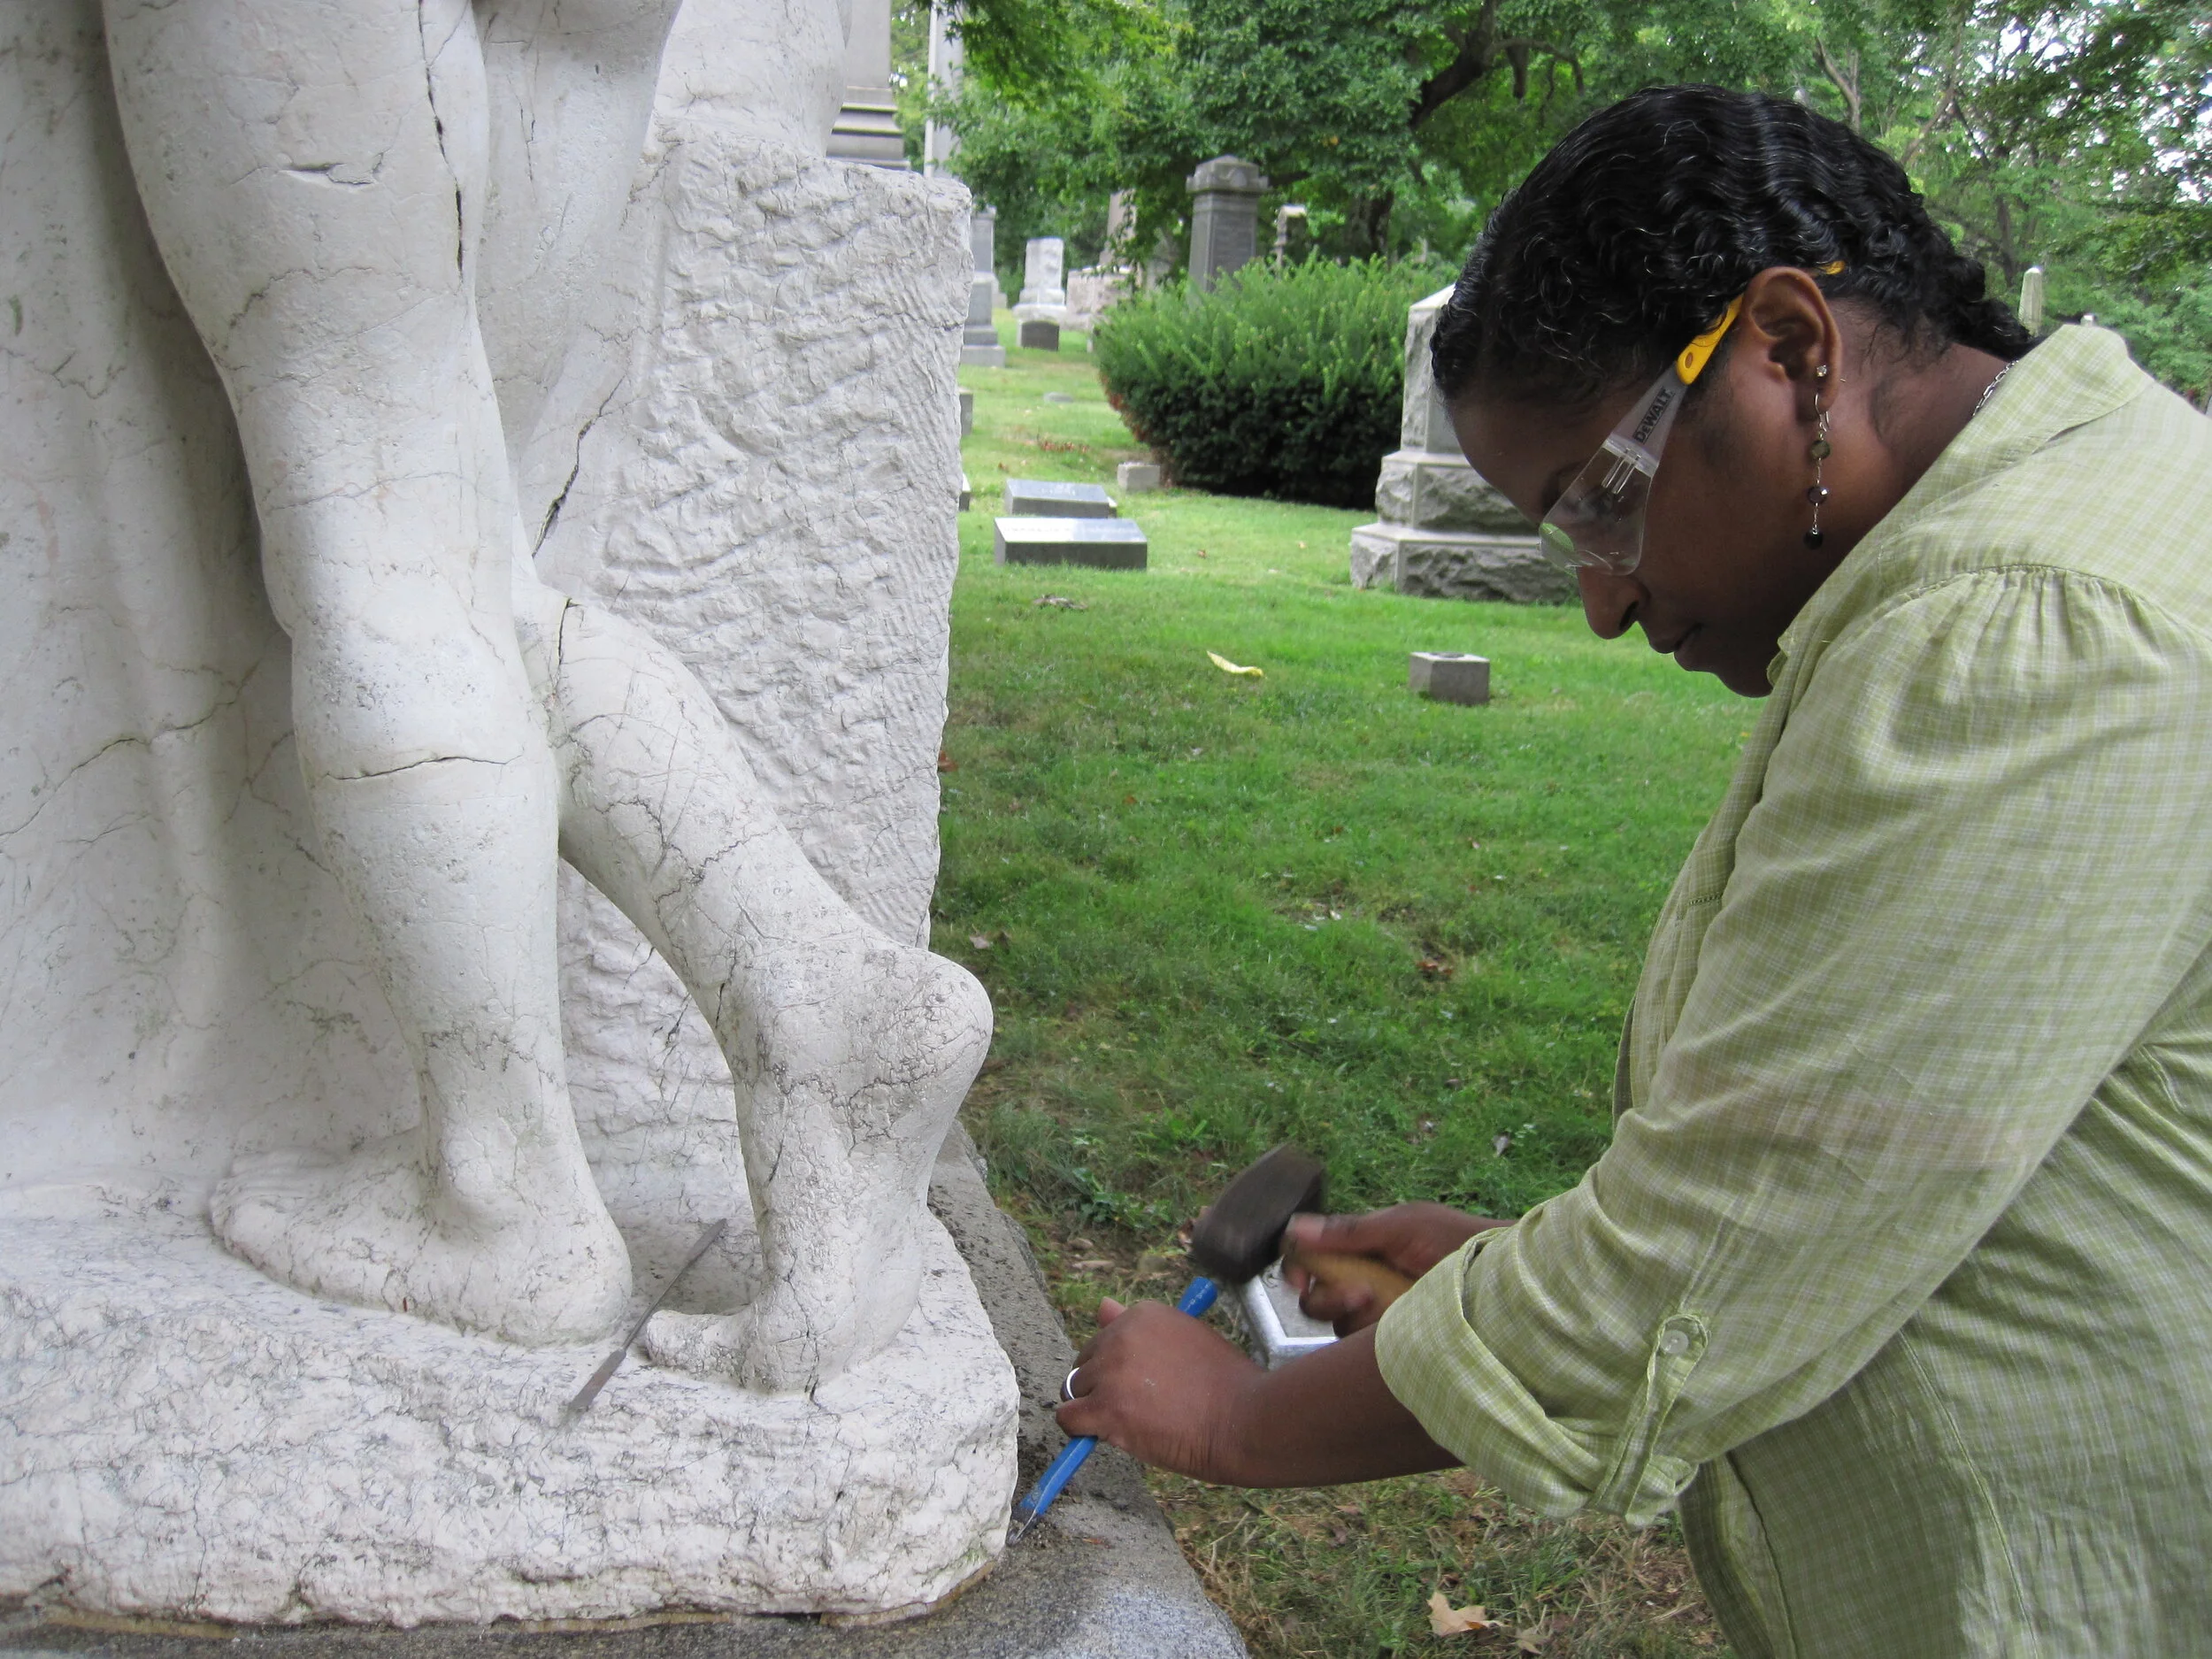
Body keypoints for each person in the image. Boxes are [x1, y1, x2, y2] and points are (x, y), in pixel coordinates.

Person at [1056, 85, 2212, 1656]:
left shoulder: (2023, 626)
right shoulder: (2003, 549)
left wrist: (1237, 1422)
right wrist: (1505, 1274)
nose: (1604, 602)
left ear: (1793, 351)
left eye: (1605, 498)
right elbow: (1861, 1152)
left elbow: (1707, 1268)